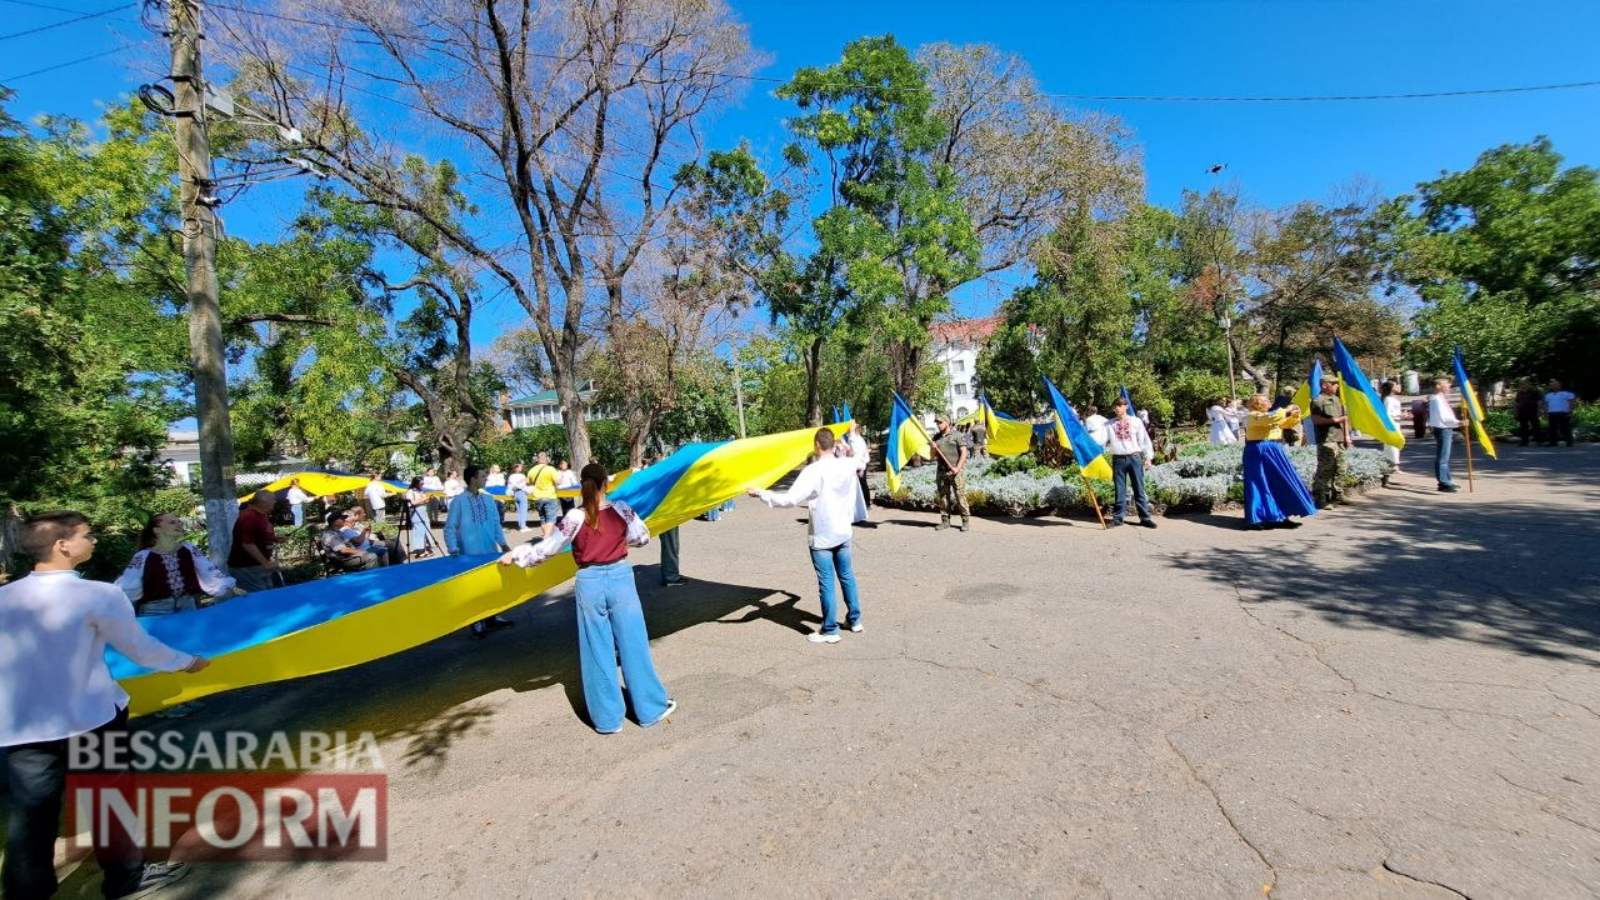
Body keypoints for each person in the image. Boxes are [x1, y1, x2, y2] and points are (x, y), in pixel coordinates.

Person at [2, 511, 209, 900]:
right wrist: (187, 662)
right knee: (107, 801)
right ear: (62, 545)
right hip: (92, 718)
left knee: (31, 816)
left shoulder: (4, 598)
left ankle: (25, 891)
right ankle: (125, 878)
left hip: (21, 727)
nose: (94, 540)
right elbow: (139, 649)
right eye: (87, 534)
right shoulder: (98, 594)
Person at [500, 462, 676, 732]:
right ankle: (649, 709)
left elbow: (548, 548)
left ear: (582, 484)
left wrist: (518, 555)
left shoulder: (573, 517)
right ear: (606, 484)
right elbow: (642, 538)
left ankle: (608, 720)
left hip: (589, 581)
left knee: (597, 648)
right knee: (634, 643)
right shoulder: (621, 509)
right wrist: (616, 541)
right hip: (621, 578)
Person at [748, 428, 865, 643]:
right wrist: (853, 436)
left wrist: (762, 493)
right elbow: (860, 457)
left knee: (827, 582)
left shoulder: (814, 471)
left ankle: (830, 630)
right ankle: (855, 620)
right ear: (834, 444)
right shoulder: (847, 463)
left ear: (816, 446)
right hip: (843, 530)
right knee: (847, 575)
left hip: (822, 534)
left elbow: (790, 499)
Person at [118, 513, 239, 615]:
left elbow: (208, 571)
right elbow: (129, 583)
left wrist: (229, 587)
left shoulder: (189, 549)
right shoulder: (142, 556)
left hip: (187, 605)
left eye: (179, 521)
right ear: (157, 530)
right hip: (155, 609)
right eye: (172, 522)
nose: (179, 524)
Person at [445, 465, 515, 637]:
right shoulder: (459, 501)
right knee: (472, 588)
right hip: (468, 553)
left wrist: (503, 545)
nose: (486, 479)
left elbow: (495, 523)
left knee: (490, 584)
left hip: (489, 550)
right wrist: (453, 549)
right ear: (473, 479)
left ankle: (492, 616)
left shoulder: (488, 499)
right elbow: (450, 528)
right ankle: (476, 621)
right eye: (482, 476)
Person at [1240, 395, 1317, 529]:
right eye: (1265, 400)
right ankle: (1257, 518)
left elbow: (1285, 423)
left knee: (1280, 481)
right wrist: (1286, 410)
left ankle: (1281, 516)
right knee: (1259, 482)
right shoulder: (1253, 415)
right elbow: (1270, 418)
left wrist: (1294, 415)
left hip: (1274, 449)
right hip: (1259, 449)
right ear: (1257, 404)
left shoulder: (1269, 414)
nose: (1269, 402)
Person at [1103, 397, 1156, 528]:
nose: (1117, 408)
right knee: (1119, 489)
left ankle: (1145, 518)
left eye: (1119, 406)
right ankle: (1118, 518)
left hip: (1134, 458)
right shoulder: (1109, 424)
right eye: (1115, 406)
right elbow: (1101, 441)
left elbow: (1144, 440)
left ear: (1126, 406)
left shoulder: (1136, 422)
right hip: (1118, 459)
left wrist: (1148, 457)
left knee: (1139, 488)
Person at [1309, 376, 1353, 508]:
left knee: (1341, 468)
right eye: (1334, 384)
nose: (1336, 386)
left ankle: (1338, 494)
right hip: (1327, 440)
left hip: (1339, 439)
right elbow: (1316, 420)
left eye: (1336, 384)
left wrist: (1346, 437)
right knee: (1325, 469)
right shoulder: (1318, 401)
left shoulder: (1337, 399)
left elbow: (1345, 419)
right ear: (1324, 385)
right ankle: (1320, 498)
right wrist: (1335, 420)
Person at [229, 489, 281, 592]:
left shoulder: (260, 515)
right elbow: (247, 543)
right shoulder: (249, 517)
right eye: (273, 500)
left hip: (257, 567)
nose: (275, 502)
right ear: (264, 502)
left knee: (267, 596)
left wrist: (274, 539)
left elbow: (257, 535)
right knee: (258, 600)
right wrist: (266, 563)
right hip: (247, 567)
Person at [931, 414, 971, 532]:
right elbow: (931, 456)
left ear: (947, 422)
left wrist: (958, 468)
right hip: (942, 472)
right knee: (943, 498)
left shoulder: (957, 435)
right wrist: (933, 448)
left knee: (960, 496)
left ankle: (965, 521)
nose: (938, 425)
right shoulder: (936, 437)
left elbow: (964, 453)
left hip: (956, 472)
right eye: (937, 423)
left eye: (940, 422)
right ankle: (945, 521)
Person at [1428, 377, 1462, 493]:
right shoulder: (1436, 399)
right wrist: (1459, 422)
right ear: (1438, 386)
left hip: (1446, 428)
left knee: (1445, 457)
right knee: (1443, 457)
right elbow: (1444, 416)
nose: (1449, 386)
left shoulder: (1440, 398)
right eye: (1446, 384)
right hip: (1443, 429)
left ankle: (1447, 479)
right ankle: (1444, 482)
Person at [527, 451, 561, 538]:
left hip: (538, 497)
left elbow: (528, 482)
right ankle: (546, 538)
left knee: (543, 519)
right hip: (550, 496)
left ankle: (547, 537)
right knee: (551, 519)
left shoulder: (532, 470)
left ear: (538, 459)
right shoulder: (551, 469)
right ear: (546, 459)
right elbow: (558, 482)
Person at [405, 476, 434, 559]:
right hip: (416, 513)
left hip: (423, 512)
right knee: (419, 531)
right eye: (421, 483)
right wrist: (423, 499)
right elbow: (411, 503)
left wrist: (429, 499)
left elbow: (424, 501)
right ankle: (420, 550)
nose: (422, 485)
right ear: (416, 483)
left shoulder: (421, 491)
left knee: (426, 530)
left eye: (423, 483)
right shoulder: (410, 492)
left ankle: (428, 548)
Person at [1544, 379, 1578, 447]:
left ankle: (1569, 442)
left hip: (1563, 413)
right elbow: (1547, 405)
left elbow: (1572, 403)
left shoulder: (1567, 394)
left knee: (1565, 428)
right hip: (1552, 413)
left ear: (1560, 385)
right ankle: (1553, 442)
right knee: (1552, 428)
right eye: (1552, 385)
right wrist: (1546, 412)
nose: (1554, 386)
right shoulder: (1548, 395)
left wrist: (1570, 411)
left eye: (1555, 384)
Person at [1380, 381, 1404, 474]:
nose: (1398, 386)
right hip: (1392, 424)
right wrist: (1401, 415)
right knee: (1393, 444)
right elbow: (1388, 413)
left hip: (1396, 423)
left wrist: (1401, 415)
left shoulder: (1391, 398)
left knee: (1393, 444)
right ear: (1391, 388)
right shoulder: (1388, 399)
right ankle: (1394, 464)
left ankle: (1390, 464)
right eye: (1395, 385)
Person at [848, 421, 872, 511]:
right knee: (859, 485)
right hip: (858, 464)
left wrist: (862, 466)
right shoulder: (858, 439)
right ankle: (863, 503)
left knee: (862, 484)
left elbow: (856, 450)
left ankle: (866, 503)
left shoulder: (857, 439)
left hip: (860, 465)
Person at [1514, 380, 1543, 447]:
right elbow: (1516, 403)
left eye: (1525, 384)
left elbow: (1539, 402)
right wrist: (1515, 412)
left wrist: (1539, 411)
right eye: (1522, 384)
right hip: (1522, 412)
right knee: (1523, 427)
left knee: (1536, 426)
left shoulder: (1535, 392)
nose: (1524, 385)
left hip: (1533, 411)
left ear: (1529, 385)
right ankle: (1524, 441)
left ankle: (1538, 441)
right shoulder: (1519, 393)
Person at [506, 462, 530, 531]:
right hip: (521, 492)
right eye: (520, 467)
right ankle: (523, 526)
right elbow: (524, 485)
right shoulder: (522, 476)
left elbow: (510, 486)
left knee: (519, 510)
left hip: (514, 493)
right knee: (523, 509)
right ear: (517, 468)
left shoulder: (511, 476)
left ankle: (520, 525)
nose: (521, 468)